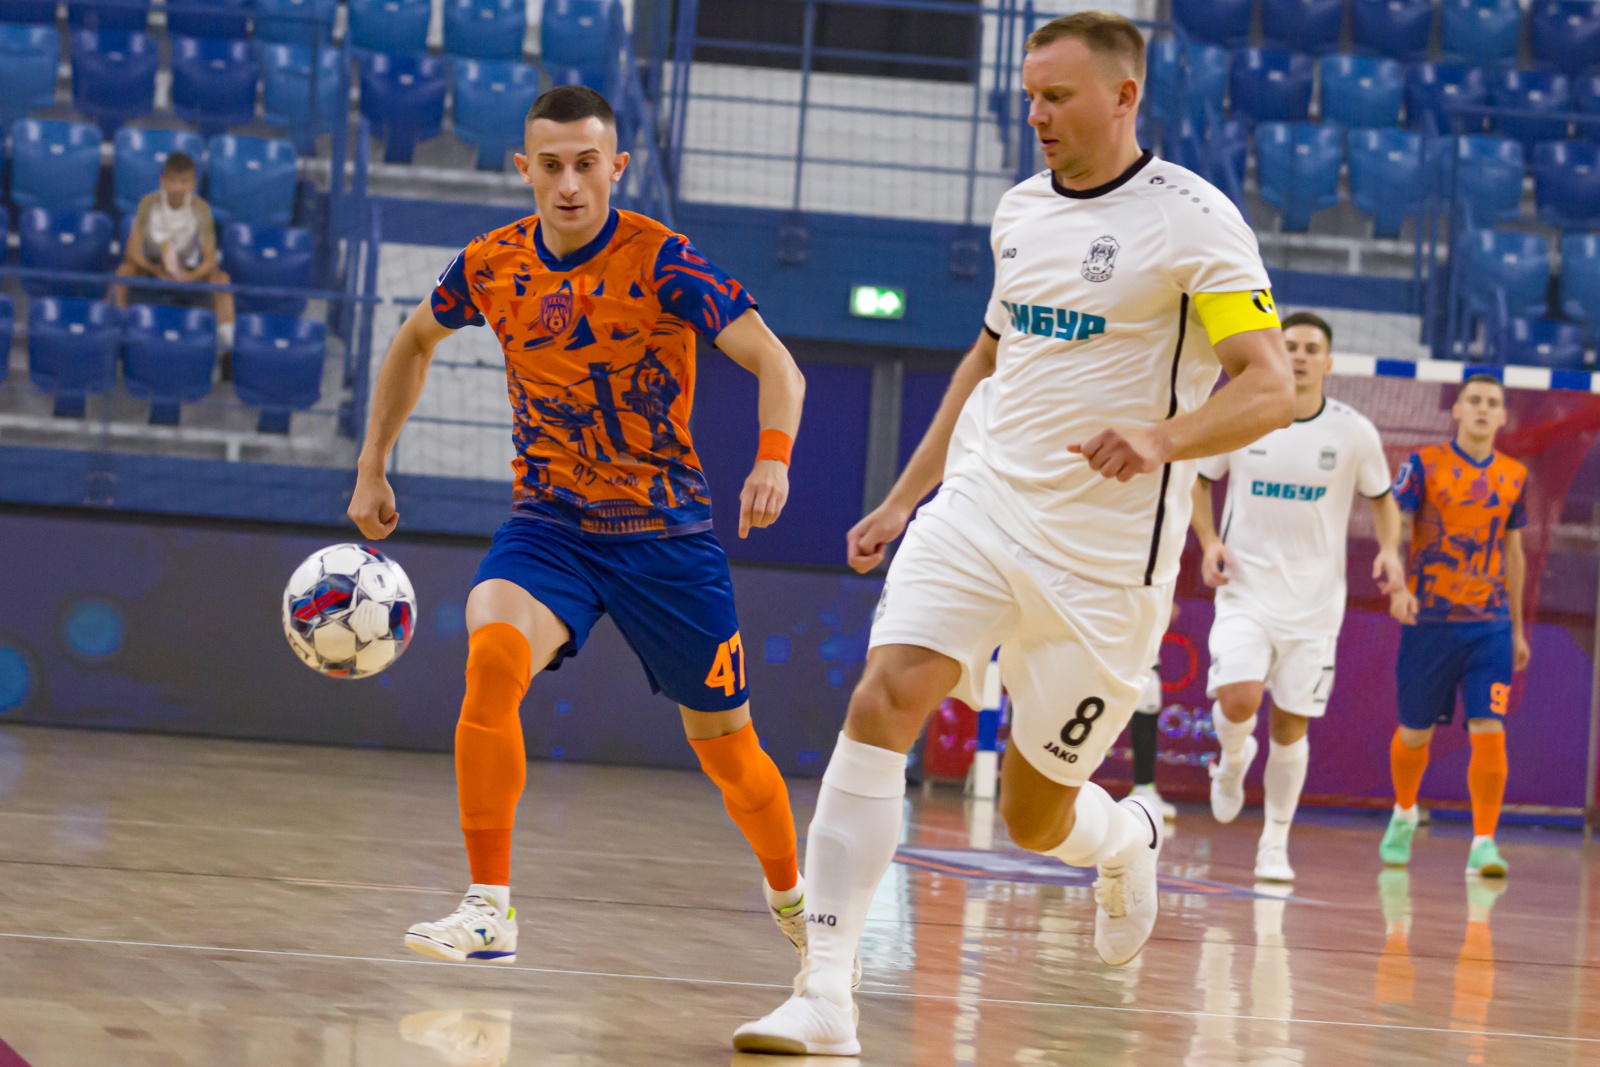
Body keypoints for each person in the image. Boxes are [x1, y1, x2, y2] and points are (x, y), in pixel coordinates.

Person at [732, 11, 1294, 1055]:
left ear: (1123, 97)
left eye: (1057, 96)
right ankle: (825, 992)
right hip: (981, 510)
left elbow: (1270, 388)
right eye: (1029, 95)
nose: (1035, 114)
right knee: (883, 696)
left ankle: (1124, 836)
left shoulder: (1194, 222)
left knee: (1038, 817)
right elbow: (987, 361)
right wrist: (906, 496)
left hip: (1102, 565)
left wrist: (1162, 436)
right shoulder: (1021, 209)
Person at [346, 86, 812, 967]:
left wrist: (773, 458)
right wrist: (373, 463)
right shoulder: (490, 263)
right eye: (552, 166)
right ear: (524, 168)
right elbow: (412, 340)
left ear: (616, 167)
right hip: (551, 525)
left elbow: (777, 364)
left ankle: (796, 901)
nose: (569, 184)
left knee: (728, 749)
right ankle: (489, 907)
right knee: (492, 657)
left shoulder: (663, 261)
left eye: (586, 165)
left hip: (666, 540)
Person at [1191, 311, 1405, 882]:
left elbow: (1382, 499)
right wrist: (1209, 541)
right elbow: (1198, 481)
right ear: (1277, 353)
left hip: (1314, 608)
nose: (1301, 356)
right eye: (1291, 346)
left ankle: (1274, 843)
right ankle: (1232, 760)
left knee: (1290, 727)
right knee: (1238, 700)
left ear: (1329, 363)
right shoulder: (1243, 415)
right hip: (1244, 591)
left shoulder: (1354, 432)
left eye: (1312, 348)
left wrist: (1390, 550)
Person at [1380, 374, 1529, 878]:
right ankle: (1404, 812)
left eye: (1493, 403)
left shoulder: (1514, 476)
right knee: (1414, 732)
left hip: (1490, 625)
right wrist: (1398, 587)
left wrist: (1518, 629)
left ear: (1503, 416)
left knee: (1489, 727)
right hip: (1429, 621)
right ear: (1458, 410)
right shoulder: (1423, 465)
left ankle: (1484, 843)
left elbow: (1513, 552)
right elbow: (1396, 523)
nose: (1483, 409)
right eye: (1475, 401)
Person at [114, 152, 236, 352]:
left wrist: (189, 277)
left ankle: (226, 343)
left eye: (184, 181)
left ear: (193, 183)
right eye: (172, 181)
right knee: (124, 271)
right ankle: (117, 331)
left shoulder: (201, 209)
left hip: (187, 270)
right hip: (152, 268)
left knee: (221, 279)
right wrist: (153, 269)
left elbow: (209, 259)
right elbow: (132, 252)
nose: (177, 187)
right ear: (162, 180)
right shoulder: (147, 204)